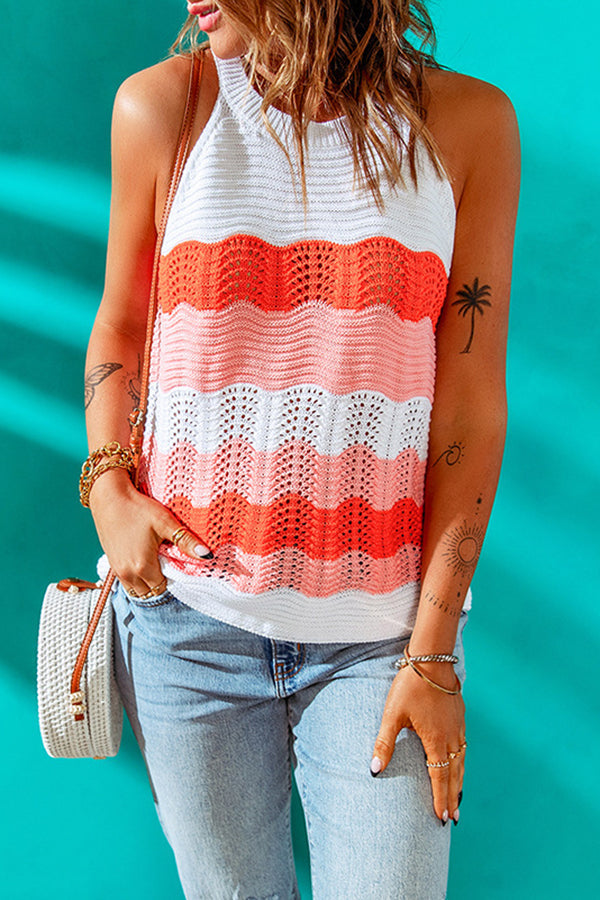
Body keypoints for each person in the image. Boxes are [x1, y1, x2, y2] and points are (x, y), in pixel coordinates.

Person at [82, 1, 520, 897]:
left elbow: (469, 409)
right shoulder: (163, 107)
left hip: (381, 642)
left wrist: (432, 653)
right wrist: (108, 490)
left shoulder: (468, 125)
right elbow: (122, 322)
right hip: (187, 626)